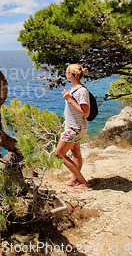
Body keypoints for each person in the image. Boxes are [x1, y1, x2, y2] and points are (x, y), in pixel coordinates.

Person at [55, 64, 91, 192]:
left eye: (66, 72)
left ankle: (84, 183)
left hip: (75, 128)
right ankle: (74, 180)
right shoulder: (75, 89)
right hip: (74, 126)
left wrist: (69, 100)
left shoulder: (81, 91)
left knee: (59, 153)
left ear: (71, 74)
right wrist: (69, 97)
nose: (65, 74)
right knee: (75, 153)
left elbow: (85, 112)